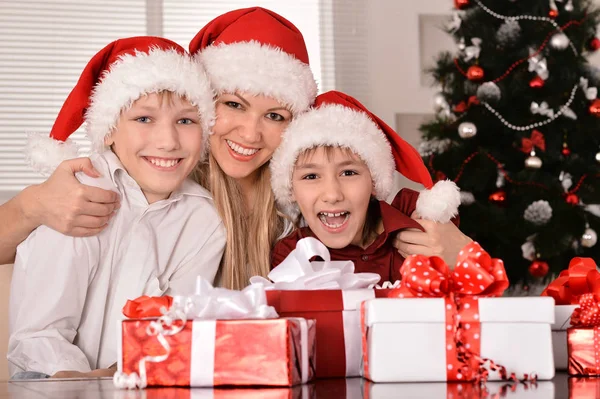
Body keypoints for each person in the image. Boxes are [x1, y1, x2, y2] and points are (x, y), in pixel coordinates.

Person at [0, 7, 470, 288]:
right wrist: (31, 206)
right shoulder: (158, 176)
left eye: (275, 116)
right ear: (202, 103)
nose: (249, 133)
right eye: (233, 104)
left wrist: (458, 248)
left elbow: (380, 224)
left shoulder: (306, 193)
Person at [8, 36, 225, 379]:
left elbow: (176, 325)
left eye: (186, 121)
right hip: (49, 380)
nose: (168, 141)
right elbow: (37, 336)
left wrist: (127, 372)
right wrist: (84, 380)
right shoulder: (78, 197)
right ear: (109, 130)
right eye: (143, 119)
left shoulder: (205, 219)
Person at [270, 91, 465, 281]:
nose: (332, 194)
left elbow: (484, 300)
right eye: (311, 176)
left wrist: (464, 256)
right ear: (290, 189)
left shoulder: (420, 220)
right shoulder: (292, 256)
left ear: (373, 180)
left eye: (348, 173)